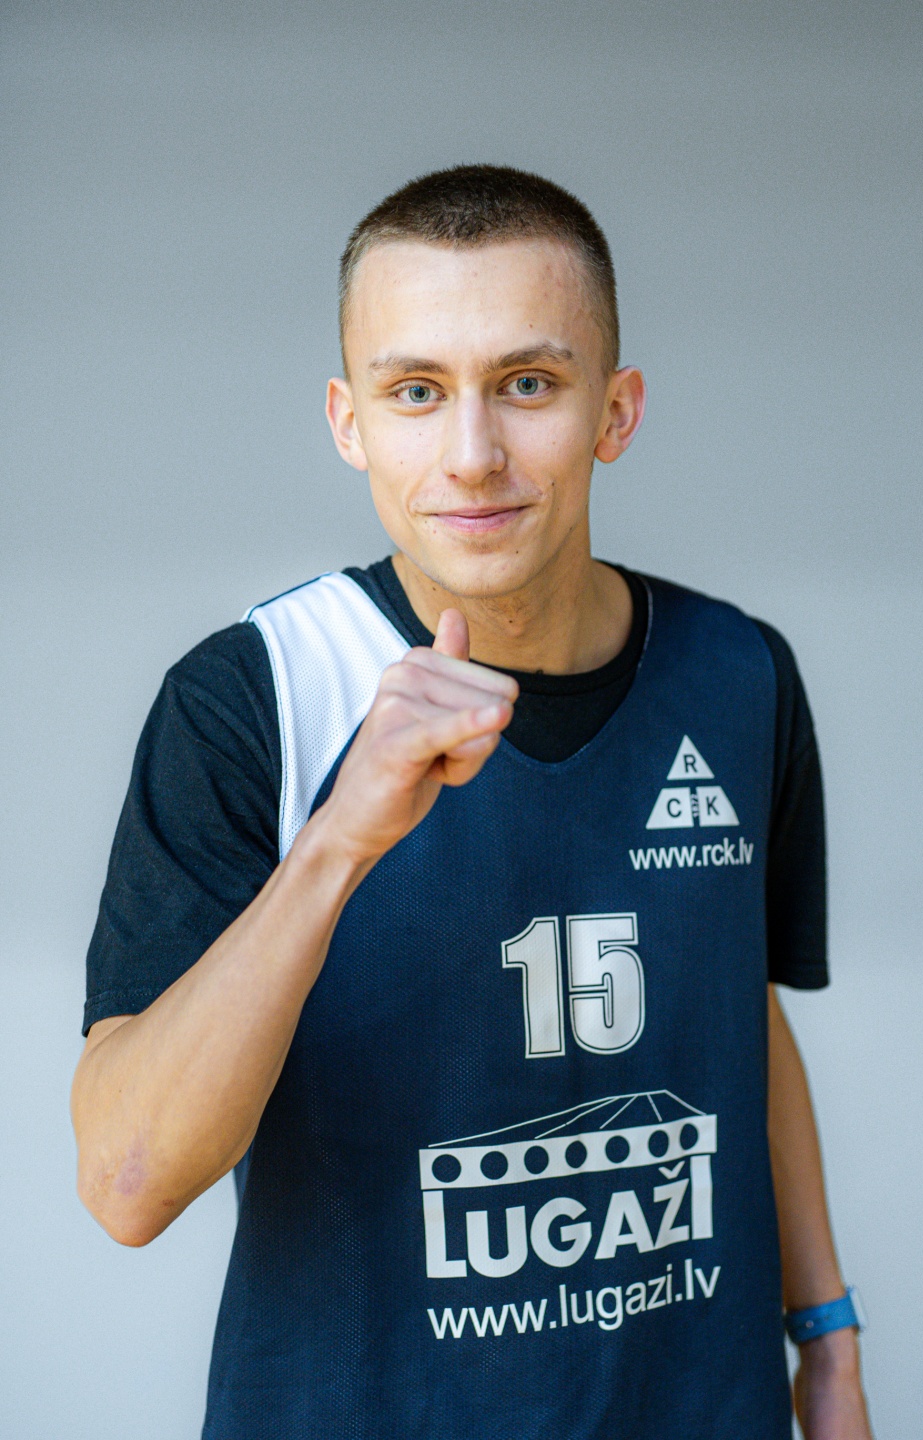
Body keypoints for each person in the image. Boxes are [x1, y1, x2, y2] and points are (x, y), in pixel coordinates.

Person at [71, 165, 873, 1439]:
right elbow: (128, 1183)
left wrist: (826, 1343)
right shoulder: (253, 698)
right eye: (416, 392)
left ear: (617, 411)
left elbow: (743, 1018)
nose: (472, 454)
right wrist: (338, 841)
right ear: (349, 422)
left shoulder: (741, 675)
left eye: (529, 384)